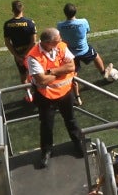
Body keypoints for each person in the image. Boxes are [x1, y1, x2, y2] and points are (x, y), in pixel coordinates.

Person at [28, 26, 89, 167]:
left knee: (71, 120)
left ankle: (78, 143)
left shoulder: (61, 46)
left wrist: (50, 72)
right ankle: (47, 151)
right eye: (58, 39)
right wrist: (60, 73)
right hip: (45, 96)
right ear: (49, 43)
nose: (61, 40)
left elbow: (71, 67)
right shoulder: (33, 56)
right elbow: (41, 80)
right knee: (46, 125)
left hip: (65, 93)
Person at [3, 0, 37, 81]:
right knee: (35, 73)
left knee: (23, 75)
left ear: (12, 10)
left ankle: (27, 92)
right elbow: (33, 42)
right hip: (30, 53)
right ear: (22, 8)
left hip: (18, 53)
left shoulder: (7, 24)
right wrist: (25, 55)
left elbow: (7, 43)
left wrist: (17, 56)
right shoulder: (30, 23)